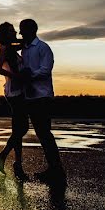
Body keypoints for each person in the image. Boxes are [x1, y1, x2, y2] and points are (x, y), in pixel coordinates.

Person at [17, 18, 65, 183]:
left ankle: (56, 170)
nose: (20, 33)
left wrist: (30, 75)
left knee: (45, 133)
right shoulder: (25, 50)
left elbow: (46, 69)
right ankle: (53, 168)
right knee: (41, 133)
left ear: (31, 30)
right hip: (30, 96)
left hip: (42, 96)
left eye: (22, 30)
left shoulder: (43, 48)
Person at [0, 22, 29, 181]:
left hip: (18, 90)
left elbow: (23, 43)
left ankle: (16, 164)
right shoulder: (6, 49)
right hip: (14, 92)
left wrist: (24, 40)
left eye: (14, 29)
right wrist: (16, 76)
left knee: (19, 129)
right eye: (11, 30)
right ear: (5, 34)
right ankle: (4, 157)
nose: (14, 32)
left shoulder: (11, 47)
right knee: (22, 128)